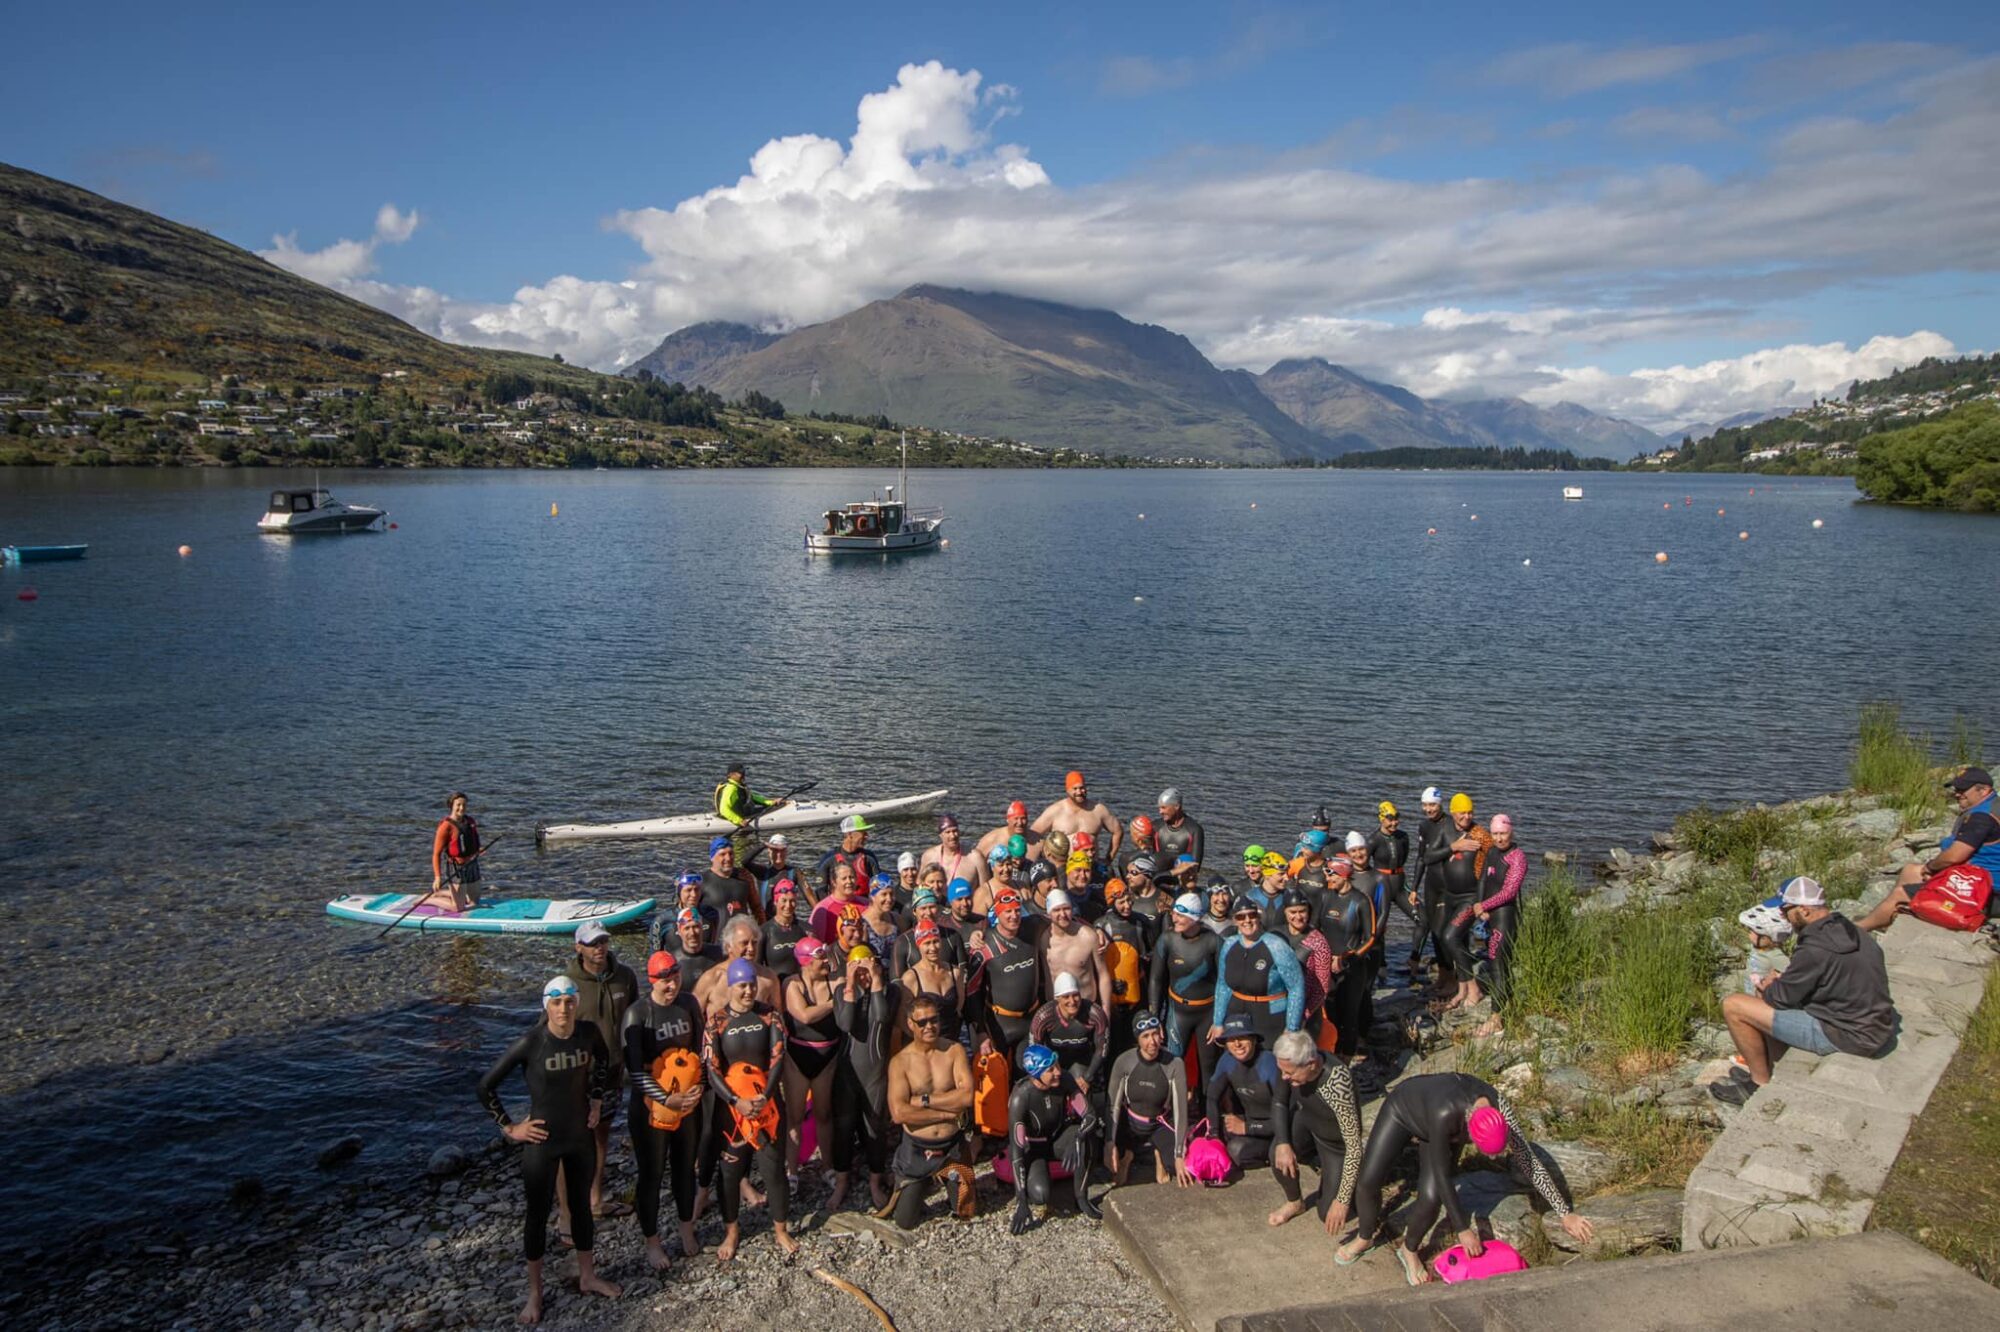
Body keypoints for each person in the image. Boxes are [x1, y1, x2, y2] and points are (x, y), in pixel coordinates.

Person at [1338, 1073, 1591, 1283]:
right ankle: (1365, 1236)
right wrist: (1463, 1228)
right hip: (1404, 1109)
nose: (1492, 1161)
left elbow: (1529, 1162)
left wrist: (1563, 1211)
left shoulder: (1502, 1111)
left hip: (1446, 1130)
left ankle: (1409, 1249)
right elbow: (1442, 1172)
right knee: (1368, 1180)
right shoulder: (1445, 1114)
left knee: (1431, 1197)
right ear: (1470, 1130)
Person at [478, 977, 621, 1323]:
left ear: (576, 1002)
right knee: (537, 1216)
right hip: (541, 1141)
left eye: (569, 1001)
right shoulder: (532, 1042)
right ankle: (535, 1293)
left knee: (582, 1210)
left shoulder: (588, 1034)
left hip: (578, 1136)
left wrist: (597, 1100)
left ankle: (587, 1276)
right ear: (546, 1006)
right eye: (556, 1003)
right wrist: (511, 1127)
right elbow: (485, 1087)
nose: (563, 1009)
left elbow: (603, 1060)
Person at [1712, 876, 1900, 1107]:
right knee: (1772, 994)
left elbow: (1781, 998)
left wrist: (1769, 984)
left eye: (1786, 909)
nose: (1783, 915)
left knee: (1734, 1006)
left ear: (1804, 910)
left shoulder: (1815, 947)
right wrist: (1786, 981)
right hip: (1872, 1024)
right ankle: (1771, 1065)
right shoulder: (1853, 930)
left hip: (1846, 1035)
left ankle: (1758, 1083)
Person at [702, 958, 796, 1261]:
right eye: (742, 986)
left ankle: (781, 1229)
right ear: (730, 987)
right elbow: (712, 1069)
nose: (748, 991)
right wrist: (736, 1102)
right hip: (731, 1111)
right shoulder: (717, 1022)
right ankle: (731, 1230)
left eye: (752, 985)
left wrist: (764, 1098)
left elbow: (777, 1059)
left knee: (773, 1169)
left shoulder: (770, 1017)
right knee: (729, 1173)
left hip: (767, 1106)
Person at [623, 952, 705, 1270]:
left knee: (685, 1169)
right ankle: (653, 1242)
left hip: (686, 1105)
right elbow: (634, 1070)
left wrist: (700, 1086)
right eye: (664, 981)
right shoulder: (638, 1014)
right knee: (652, 1174)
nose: (670, 985)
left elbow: (700, 1050)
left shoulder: (689, 1005)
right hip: (650, 1108)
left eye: (674, 978)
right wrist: (665, 1099)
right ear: (651, 981)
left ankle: (686, 1229)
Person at [1858, 766, 2000, 932]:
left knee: (1900, 894)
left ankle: (1859, 929)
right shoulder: (1992, 806)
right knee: (1910, 871)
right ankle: (1888, 917)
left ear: (1983, 790)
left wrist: (1930, 867)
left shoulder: (1981, 818)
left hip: (1985, 891)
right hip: (1976, 877)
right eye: (1956, 789)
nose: (1957, 793)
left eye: (1963, 789)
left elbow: (1954, 856)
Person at [563, 923, 640, 1230]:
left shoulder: (625, 976)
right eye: (593, 943)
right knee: (570, 1140)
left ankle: (595, 1200)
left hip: (611, 1072)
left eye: (604, 941)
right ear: (578, 947)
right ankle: (567, 1211)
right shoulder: (567, 982)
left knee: (601, 1136)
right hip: (576, 1075)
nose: (600, 947)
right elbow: (549, 1029)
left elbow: (635, 1019)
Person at [883, 995, 980, 1229]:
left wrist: (924, 1100)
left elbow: (967, 1096)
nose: (929, 1027)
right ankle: (921, 1182)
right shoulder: (900, 1062)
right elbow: (899, 1113)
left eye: (933, 1020)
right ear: (910, 1024)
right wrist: (945, 1114)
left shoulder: (954, 1050)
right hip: (917, 1148)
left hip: (952, 1147)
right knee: (904, 1221)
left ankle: (945, 1178)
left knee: (966, 1211)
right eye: (922, 1022)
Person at [1265, 1031, 1364, 1231]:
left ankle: (1353, 1188)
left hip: (1336, 1147)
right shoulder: (1287, 1063)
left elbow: (1354, 1145)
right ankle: (1295, 1202)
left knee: (1328, 1213)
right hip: (1309, 1123)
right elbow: (1279, 1102)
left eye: (1290, 1074)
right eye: (1282, 1071)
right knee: (1277, 1154)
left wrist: (1342, 1201)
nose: (1284, 1077)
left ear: (1311, 1064)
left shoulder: (1337, 1081)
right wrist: (1284, 1143)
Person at [1005, 1044, 1103, 1232]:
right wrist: (1021, 1200)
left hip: (1057, 1138)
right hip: (1033, 1149)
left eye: (1057, 1065)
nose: (1058, 1071)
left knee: (1087, 1138)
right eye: (1051, 1070)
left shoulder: (1065, 1079)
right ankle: (1044, 1181)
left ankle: (1081, 1198)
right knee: (1041, 1196)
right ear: (1036, 1074)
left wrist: (1078, 1138)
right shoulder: (1021, 1097)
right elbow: (1016, 1151)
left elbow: (1090, 1115)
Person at [832, 944, 896, 1211]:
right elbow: (846, 1024)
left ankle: (874, 1180)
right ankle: (842, 1181)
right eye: (859, 971)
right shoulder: (841, 991)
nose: (864, 976)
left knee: (875, 1129)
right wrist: (849, 983)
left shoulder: (889, 991)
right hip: (848, 1072)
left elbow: (881, 1018)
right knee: (844, 1127)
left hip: (875, 1073)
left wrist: (877, 979)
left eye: (868, 969)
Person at [778, 935, 842, 1184]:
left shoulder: (833, 980)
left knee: (824, 1114)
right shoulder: (793, 985)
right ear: (805, 962)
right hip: (798, 1055)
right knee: (794, 1116)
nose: (825, 960)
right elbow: (803, 1015)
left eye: (825, 955)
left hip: (828, 1055)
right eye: (820, 957)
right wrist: (833, 1002)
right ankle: (792, 1171)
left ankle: (827, 1167)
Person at [1152, 892, 1225, 1093]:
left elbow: (1224, 983)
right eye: (1174, 913)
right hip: (1178, 1012)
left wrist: (1219, 1020)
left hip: (1207, 1013)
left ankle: (1208, 1117)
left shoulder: (1213, 941)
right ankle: (1172, 1113)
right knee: (1173, 1064)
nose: (1173, 918)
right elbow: (1156, 980)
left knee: (1209, 1068)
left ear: (1194, 918)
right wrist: (1154, 1017)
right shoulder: (1167, 939)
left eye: (1180, 916)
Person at [1107, 1012, 1192, 1186]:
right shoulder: (1124, 1061)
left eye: (1155, 1034)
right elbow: (1112, 1106)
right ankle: (1127, 1156)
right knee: (1104, 1153)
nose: (1152, 1042)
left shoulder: (1174, 1063)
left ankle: (1159, 1154)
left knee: (1181, 1169)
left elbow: (1180, 1110)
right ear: (1137, 1039)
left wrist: (1178, 1155)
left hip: (1159, 1124)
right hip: (1130, 1123)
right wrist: (1109, 1143)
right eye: (1145, 1036)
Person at [1203, 1014, 1288, 1184]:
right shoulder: (1226, 1061)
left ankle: (1268, 1157)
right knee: (1205, 1136)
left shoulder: (1269, 1063)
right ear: (1225, 1044)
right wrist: (1213, 1135)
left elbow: (1287, 1115)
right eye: (1231, 1039)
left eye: (1242, 1037)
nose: (1237, 1044)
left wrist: (1246, 1128)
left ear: (1254, 1039)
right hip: (1250, 1121)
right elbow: (1212, 1097)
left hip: (1276, 1129)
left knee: (1235, 1150)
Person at [1211, 897, 1306, 1046]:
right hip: (1236, 1015)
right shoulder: (1229, 944)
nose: (1247, 920)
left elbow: (1296, 987)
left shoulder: (1276, 946)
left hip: (1269, 1017)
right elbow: (1223, 985)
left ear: (1259, 917)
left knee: (1269, 1065)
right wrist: (1217, 1022)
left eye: (1252, 915)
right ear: (1234, 920)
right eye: (1241, 917)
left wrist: (1292, 1028)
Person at [970, 889, 1043, 1069]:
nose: (1014, 916)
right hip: (1000, 1024)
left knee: (1027, 1074)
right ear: (997, 913)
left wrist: (1097, 930)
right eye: (1007, 911)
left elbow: (1062, 917)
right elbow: (972, 993)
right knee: (1000, 1078)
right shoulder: (984, 946)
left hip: (1030, 1020)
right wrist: (981, 1032)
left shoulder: (1032, 928)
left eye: (1017, 910)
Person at [1315, 857, 1376, 1066]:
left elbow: (1371, 938)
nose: (1326, 878)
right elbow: (1314, 929)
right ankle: (1332, 1056)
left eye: (1329, 874)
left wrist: (1345, 959)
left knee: (1349, 1015)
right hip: (1326, 965)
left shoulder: (1360, 900)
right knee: (1329, 1013)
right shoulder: (1324, 896)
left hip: (1352, 967)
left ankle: (1347, 1061)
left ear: (1342, 875)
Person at [1471, 814, 1527, 1038]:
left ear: (1511, 832)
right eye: (1495, 834)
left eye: (1503, 834)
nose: (1499, 838)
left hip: (1506, 915)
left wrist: (1485, 904)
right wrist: (1480, 905)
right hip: (1489, 914)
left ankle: (1496, 1018)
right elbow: (1483, 879)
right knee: (1494, 961)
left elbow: (1509, 892)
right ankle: (1507, 1008)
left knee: (1498, 964)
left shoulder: (1517, 857)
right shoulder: (1492, 851)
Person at [1437, 794, 1493, 1010]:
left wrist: (1485, 901)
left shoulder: (1480, 835)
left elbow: (1494, 862)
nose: (1467, 816)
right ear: (1452, 812)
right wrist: (1453, 847)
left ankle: (1474, 989)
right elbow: (1428, 856)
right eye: (1463, 812)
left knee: (1450, 937)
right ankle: (1462, 989)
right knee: (1451, 939)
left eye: (1470, 812)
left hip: (1470, 897)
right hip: (1450, 896)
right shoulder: (1447, 831)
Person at [1029, 972, 1111, 1110]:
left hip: (1082, 1062)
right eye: (1066, 997)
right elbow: (1033, 1051)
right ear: (1057, 999)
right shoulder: (1044, 1016)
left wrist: (1087, 1078)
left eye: (1075, 995)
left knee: (1084, 1093)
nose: (1072, 1001)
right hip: (1054, 1064)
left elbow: (1102, 1049)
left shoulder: (1095, 1014)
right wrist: (1039, 1076)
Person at [1276, 890, 1333, 1049]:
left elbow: (1321, 989)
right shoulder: (1275, 935)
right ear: (1285, 912)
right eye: (1293, 912)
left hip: (1307, 1013)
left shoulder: (1319, 943)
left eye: (1303, 911)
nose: (1298, 917)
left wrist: (1301, 1016)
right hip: (1277, 1008)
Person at [693, 914, 780, 1014]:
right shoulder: (712, 978)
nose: (751, 948)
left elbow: (779, 1017)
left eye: (754, 943)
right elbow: (695, 1018)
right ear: (728, 946)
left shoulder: (768, 978)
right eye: (745, 943)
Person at [1041, 889, 1113, 1006]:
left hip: (1087, 1006)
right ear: (1049, 913)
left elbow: (1103, 974)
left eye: (1066, 908)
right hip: (1056, 1009)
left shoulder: (1088, 936)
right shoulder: (1043, 940)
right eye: (1056, 910)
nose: (1062, 914)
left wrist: (1106, 1011)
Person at [1032, 770, 1123, 861]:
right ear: (1067, 790)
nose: (1079, 792)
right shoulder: (1055, 811)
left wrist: (1109, 859)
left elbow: (1117, 831)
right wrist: (1043, 857)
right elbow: (1033, 835)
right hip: (1064, 866)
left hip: (1091, 866)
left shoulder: (1098, 810)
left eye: (1082, 788)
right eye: (1075, 789)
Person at [1411, 787, 1452, 984]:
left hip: (1449, 884)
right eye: (1425, 805)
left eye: (1433, 805)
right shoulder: (1424, 826)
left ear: (1441, 804)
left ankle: (1452, 975)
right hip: (1431, 883)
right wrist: (1413, 887)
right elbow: (1421, 859)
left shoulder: (1451, 824)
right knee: (1435, 932)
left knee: (1443, 931)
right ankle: (1444, 976)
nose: (1429, 809)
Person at [1369, 802, 1414, 973]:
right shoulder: (1373, 839)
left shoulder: (1403, 837)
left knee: (1422, 920)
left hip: (1400, 884)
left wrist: (1412, 889)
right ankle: (1381, 965)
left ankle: (1414, 960)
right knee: (1380, 925)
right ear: (1381, 819)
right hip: (1381, 885)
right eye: (1389, 819)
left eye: (1396, 819)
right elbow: (1363, 866)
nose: (1394, 823)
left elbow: (1404, 860)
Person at [713, 763, 787, 864]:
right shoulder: (731, 788)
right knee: (741, 852)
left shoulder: (737, 785)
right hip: (736, 819)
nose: (743, 774)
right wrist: (739, 821)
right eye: (740, 773)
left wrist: (771, 802)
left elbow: (753, 798)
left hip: (741, 815)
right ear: (731, 774)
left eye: (743, 772)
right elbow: (724, 809)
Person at [429, 792, 483, 912]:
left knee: (474, 902)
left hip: (472, 865)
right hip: (456, 868)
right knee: (458, 907)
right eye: (458, 805)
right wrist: (437, 877)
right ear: (451, 806)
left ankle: (449, 893)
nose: (461, 808)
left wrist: (479, 849)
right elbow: (436, 854)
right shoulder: (446, 826)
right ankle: (430, 899)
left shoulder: (470, 821)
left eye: (464, 805)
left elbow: (473, 840)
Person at [699, 836, 763, 925]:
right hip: (715, 937)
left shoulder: (744, 876)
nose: (728, 858)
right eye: (722, 854)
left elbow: (757, 908)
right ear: (712, 857)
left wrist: (762, 931)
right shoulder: (702, 881)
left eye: (731, 853)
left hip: (741, 936)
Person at [662, 907, 724, 992]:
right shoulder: (672, 961)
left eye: (696, 927)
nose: (692, 933)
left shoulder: (719, 954)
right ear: (679, 931)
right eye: (687, 928)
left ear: (702, 928)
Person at [922, 813, 989, 891]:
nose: (953, 836)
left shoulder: (975, 857)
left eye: (955, 831)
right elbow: (919, 886)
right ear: (941, 835)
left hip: (967, 902)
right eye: (948, 832)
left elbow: (985, 891)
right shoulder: (929, 856)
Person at [760, 878, 809, 981]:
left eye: (792, 901)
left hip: (800, 987)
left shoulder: (804, 929)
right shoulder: (765, 931)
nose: (788, 905)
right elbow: (757, 967)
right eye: (784, 900)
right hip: (776, 988)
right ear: (775, 902)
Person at [816, 815, 879, 893]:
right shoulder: (829, 858)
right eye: (863, 832)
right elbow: (820, 890)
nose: (867, 836)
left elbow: (879, 886)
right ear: (850, 835)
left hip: (864, 903)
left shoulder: (869, 857)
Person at [808, 861, 866, 943]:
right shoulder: (823, 909)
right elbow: (815, 943)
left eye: (851, 877)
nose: (849, 881)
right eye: (844, 878)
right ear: (834, 882)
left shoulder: (866, 904)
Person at [977, 799, 1045, 866]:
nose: (1020, 823)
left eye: (1023, 818)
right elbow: (975, 862)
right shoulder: (991, 840)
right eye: (1016, 818)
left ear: (1027, 820)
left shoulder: (1038, 842)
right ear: (1008, 820)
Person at [1153, 788, 1205, 874]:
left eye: (1163, 808)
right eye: (1159, 808)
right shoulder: (1156, 827)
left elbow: (1195, 866)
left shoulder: (1194, 830)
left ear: (1176, 806)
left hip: (1182, 880)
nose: (1160, 812)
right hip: (1159, 879)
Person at [757, 834, 808, 913]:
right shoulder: (762, 872)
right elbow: (745, 862)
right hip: (767, 923)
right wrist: (764, 845)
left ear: (786, 851)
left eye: (782, 850)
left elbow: (809, 897)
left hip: (789, 921)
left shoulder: (794, 872)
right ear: (769, 851)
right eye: (775, 850)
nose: (779, 854)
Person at [861, 873, 902, 961]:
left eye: (891, 894)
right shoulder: (863, 924)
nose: (889, 899)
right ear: (873, 896)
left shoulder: (896, 919)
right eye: (884, 894)